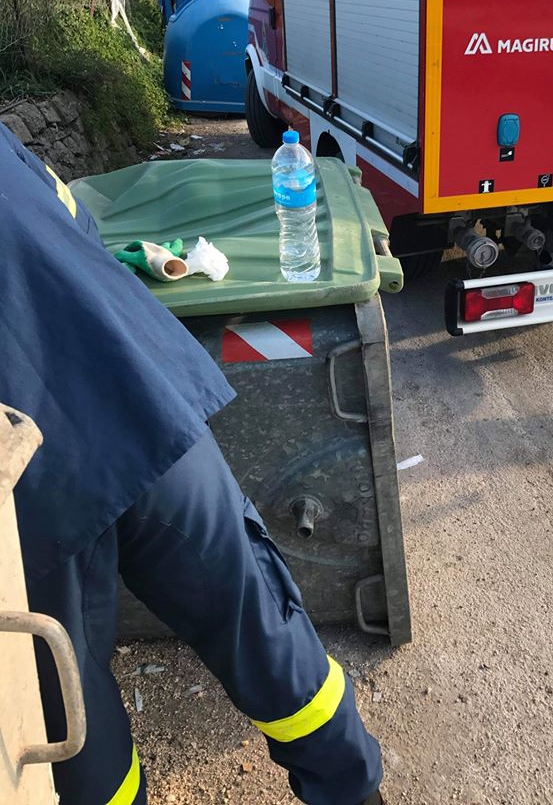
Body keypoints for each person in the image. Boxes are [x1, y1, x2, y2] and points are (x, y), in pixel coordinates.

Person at [0, 122, 384, 805]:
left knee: (69, 706)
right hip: (135, 391)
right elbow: (77, 222)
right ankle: (353, 790)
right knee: (257, 619)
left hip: (35, 486)